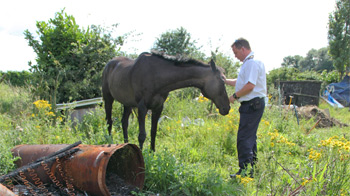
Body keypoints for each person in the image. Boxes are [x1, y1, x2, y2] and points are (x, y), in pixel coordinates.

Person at [223, 38, 267, 178]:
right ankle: (250, 169)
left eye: (236, 52)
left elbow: (249, 86)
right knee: (250, 137)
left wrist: (233, 97)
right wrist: (225, 81)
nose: (235, 56)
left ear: (243, 49)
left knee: (244, 138)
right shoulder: (249, 64)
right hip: (254, 104)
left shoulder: (251, 64)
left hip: (252, 105)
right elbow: (240, 82)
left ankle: (245, 172)